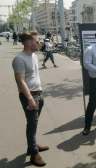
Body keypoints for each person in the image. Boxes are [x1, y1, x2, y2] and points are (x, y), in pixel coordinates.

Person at [12, 33, 49, 167]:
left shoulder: (33, 55)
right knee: (32, 124)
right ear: (28, 42)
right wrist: (30, 99)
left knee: (34, 123)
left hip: (38, 93)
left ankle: (31, 146)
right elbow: (20, 81)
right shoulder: (19, 59)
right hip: (30, 96)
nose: (39, 42)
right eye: (36, 40)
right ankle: (34, 154)